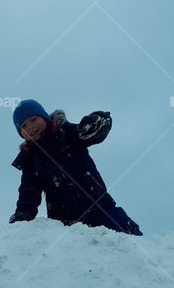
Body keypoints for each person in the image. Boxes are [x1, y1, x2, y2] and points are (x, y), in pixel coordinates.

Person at [9, 99, 142, 235]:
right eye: (23, 126)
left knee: (127, 235)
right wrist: (23, 214)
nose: (30, 126)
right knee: (77, 252)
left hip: (99, 206)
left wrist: (97, 124)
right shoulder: (30, 159)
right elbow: (29, 191)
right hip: (65, 220)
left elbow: (84, 134)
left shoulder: (64, 132)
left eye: (33, 119)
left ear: (44, 117)